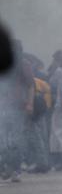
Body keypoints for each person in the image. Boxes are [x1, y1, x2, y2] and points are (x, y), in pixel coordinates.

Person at [0, 39, 34, 182]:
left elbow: (31, 85)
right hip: (4, 106)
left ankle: (15, 170)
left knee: (15, 139)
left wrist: (30, 103)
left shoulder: (24, 65)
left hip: (18, 106)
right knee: (4, 140)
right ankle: (6, 168)